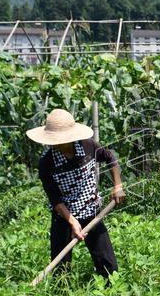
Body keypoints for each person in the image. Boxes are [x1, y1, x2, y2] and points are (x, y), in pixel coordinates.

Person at [26, 109, 125, 281]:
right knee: (61, 269)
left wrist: (118, 185)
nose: (54, 144)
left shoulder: (88, 146)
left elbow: (110, 157)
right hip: (63, 216)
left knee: (108, 264)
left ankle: (114, 295)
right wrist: (72, 221)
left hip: (92, 212)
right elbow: (54, 197)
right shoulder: (47, 162)